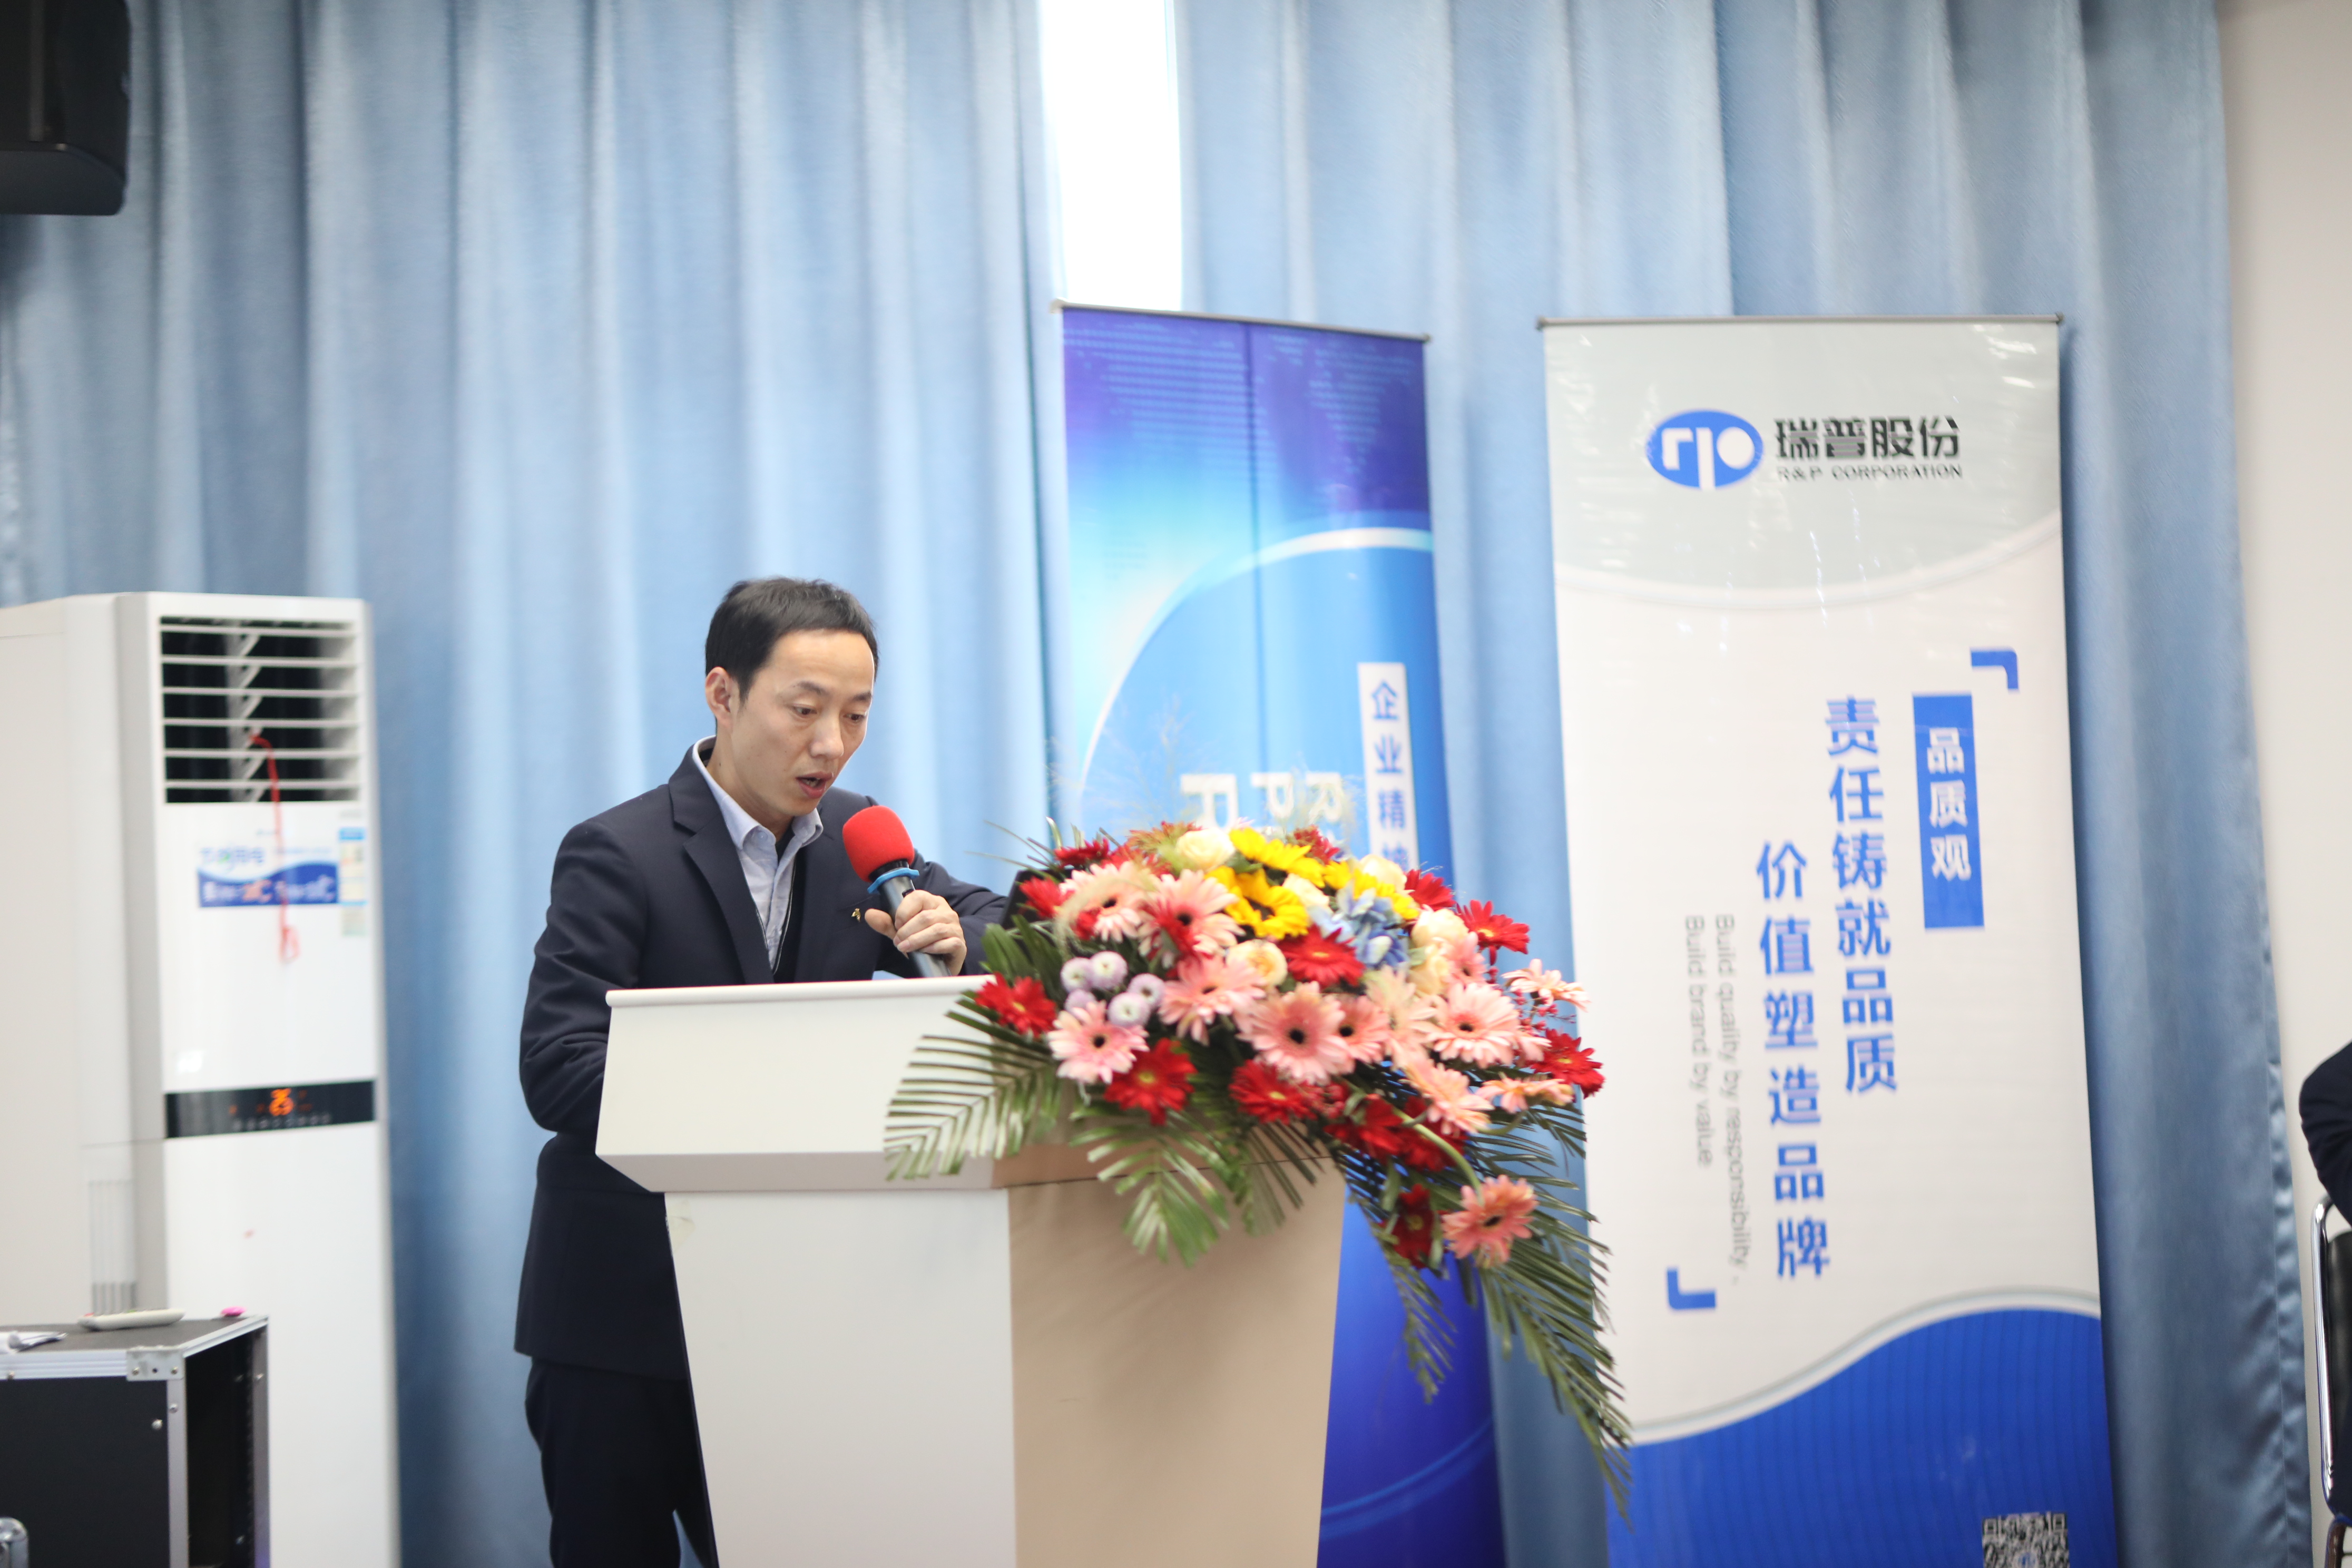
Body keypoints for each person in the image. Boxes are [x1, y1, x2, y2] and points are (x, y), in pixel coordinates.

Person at [515, 577, 1006, 1566]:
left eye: (856, 715)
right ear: (723, 694)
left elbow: (1009, 927)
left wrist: (961, 942)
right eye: (804, 709)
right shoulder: (618, 852)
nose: (831, 744)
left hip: (795, 1318)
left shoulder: (866, 845)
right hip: (624, 1319)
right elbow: (558, 1068)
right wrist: (768, 1090)